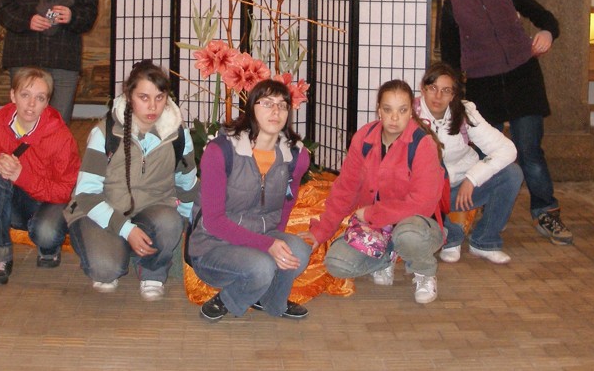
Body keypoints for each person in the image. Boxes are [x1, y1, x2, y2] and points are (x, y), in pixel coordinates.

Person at [439, 0, 573, 245]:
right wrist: (453, 97)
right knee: (487, 154)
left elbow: (546, 18)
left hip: (523, 79)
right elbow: (450, 57)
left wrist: (547, 33)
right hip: (483, 86)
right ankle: (486, 211)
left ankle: (546, 212)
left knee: (530, 151)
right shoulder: (452, 4)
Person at [64, 61, 198, 301]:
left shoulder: (179, 135)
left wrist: (187, 229)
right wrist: (126, 230)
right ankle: (118, 248)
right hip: (101, 210)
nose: (152, 106)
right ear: (129, 95)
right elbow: (86, 194)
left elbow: (187, 186)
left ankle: (152, 271)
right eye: (143, 97)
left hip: (152, 210)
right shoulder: (105, 133)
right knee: (106, 270)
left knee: (171, 223)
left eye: (159, 97)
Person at [305, 79, 446, 305]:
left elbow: (422, 204)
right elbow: (345, 189)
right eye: (388, 110)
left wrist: (372, 214)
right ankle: (385, 257)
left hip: (416, 224)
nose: (394, 118)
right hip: (376, 226)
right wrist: (320, 232)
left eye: (402, 110)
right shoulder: (364, 138)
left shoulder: (423, 144)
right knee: (337, 264)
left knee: (408, 234)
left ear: (412, 111)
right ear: (378, 110)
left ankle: (424, 271)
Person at [187, 79, 312, 322]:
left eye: (282, 105)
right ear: (251, 108)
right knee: (262, 266)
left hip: (261, 236)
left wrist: (274, 239)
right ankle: (227, 299)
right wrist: (266, 245)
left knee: (298, 251)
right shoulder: (220, 151)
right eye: (267, 103)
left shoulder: (295, 155)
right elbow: (213, 221)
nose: (276, 111)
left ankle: (270, 299)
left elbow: (286, 204)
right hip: (213, 245)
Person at [0, 67, 81, 285]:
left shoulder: (61, 136)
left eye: (39, 98)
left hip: (49, 202)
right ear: (13, 95)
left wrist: (22, 176)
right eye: (25, 95)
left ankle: (49, 247)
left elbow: (65, 191)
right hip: (13, 200)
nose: (31, 104)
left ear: (47, 102)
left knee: (46, 233)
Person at [415, 62, 523, 264]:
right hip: (427, 195)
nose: (438, 96)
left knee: (512, 174)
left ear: (453, 95)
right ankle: (451, 236)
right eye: (433, 88)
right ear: (423, 88)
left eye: (446, 90)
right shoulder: (409, 114)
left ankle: (484, 241)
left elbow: (507, 148)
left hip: (461, 191)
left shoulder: (465, 112)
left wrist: (473, 178)